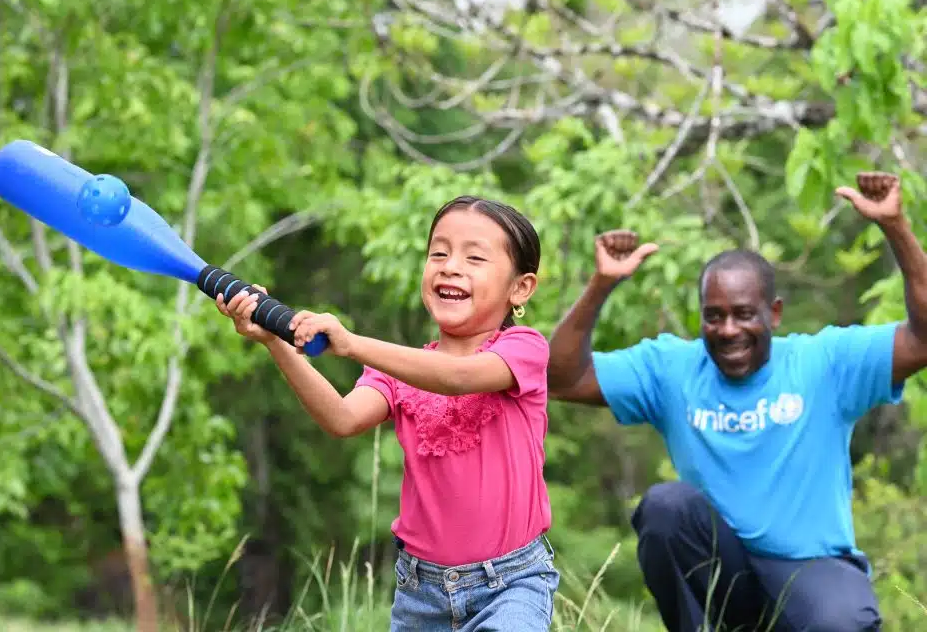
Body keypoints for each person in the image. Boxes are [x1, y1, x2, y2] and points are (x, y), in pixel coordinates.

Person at [546, 172, 927, 632]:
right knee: (666, 507)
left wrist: (896, 228)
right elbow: (559, 378)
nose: (728, 329)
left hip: (810, 569)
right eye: (714, 316)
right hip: (724, 575)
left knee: (842, 620)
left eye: (745, 314)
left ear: (775, 312)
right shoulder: (672, 368)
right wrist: (601, 285)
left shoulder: (825, 362)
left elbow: (923, 339)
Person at [216, 196, 559, 632]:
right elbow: (341, 418)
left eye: (475, 257)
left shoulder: (523, 349)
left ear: (521, 288)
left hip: (511, 584)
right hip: (421, 594)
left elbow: (457, 376)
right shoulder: (396, 371)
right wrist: (275, 342)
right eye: (439, 252)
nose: (451, 266)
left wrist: (351, 342)